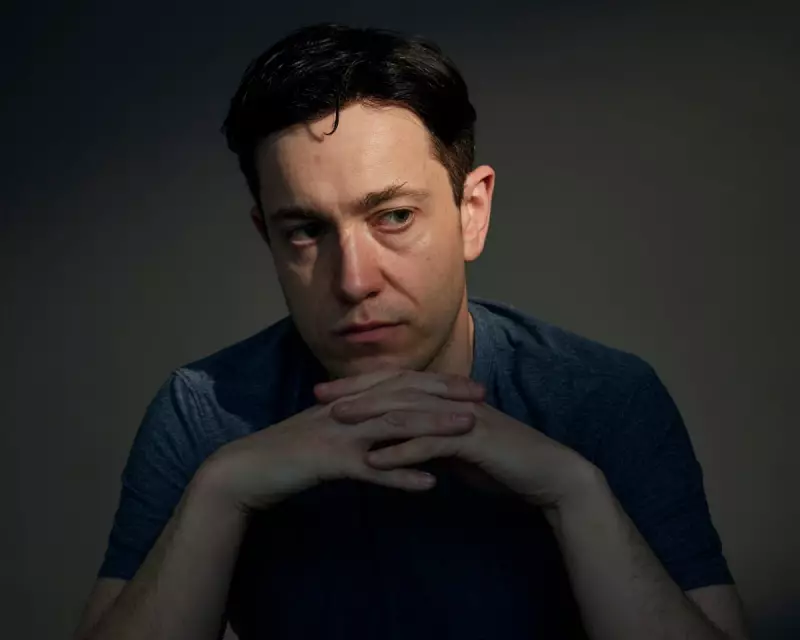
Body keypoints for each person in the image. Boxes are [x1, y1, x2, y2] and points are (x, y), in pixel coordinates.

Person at [73, 22, 750, 640]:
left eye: (393, 216)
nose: (354, 281)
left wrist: (575, 493)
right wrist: (221, 491)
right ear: (267, 238)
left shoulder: (602, 397)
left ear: (471, 212)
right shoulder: (205, 412)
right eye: (306, 230)